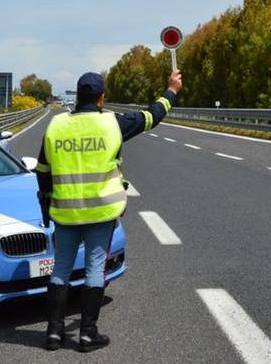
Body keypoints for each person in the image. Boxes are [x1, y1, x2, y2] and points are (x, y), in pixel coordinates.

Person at [36, 70, 183, 352]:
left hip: (65, 212)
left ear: (77, 97)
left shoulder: (56, 125)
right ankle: (87, 334)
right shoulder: (112, 123)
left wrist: (47, 202)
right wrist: (172, 90)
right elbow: (151, 116)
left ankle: (53, 333)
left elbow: (42, 171)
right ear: (101, 98)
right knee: (94, 267)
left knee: (61, 268)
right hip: (101, 212)